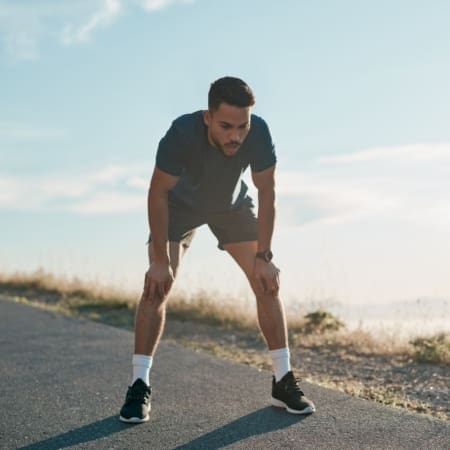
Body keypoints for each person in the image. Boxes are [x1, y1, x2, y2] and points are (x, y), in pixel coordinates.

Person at [119, 76, 316, 423]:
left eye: (242, 126)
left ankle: (283, 381)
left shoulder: (258, 133)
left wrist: (264, 256)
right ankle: (139, 385)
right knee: (156, 288)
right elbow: (157, 192)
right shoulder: (181, 133)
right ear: (208, 117)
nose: (235, 136)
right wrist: (160, 260)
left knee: (266, 281)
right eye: (226, 126)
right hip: (179, 209)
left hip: (231, 208)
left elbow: (268, 193)